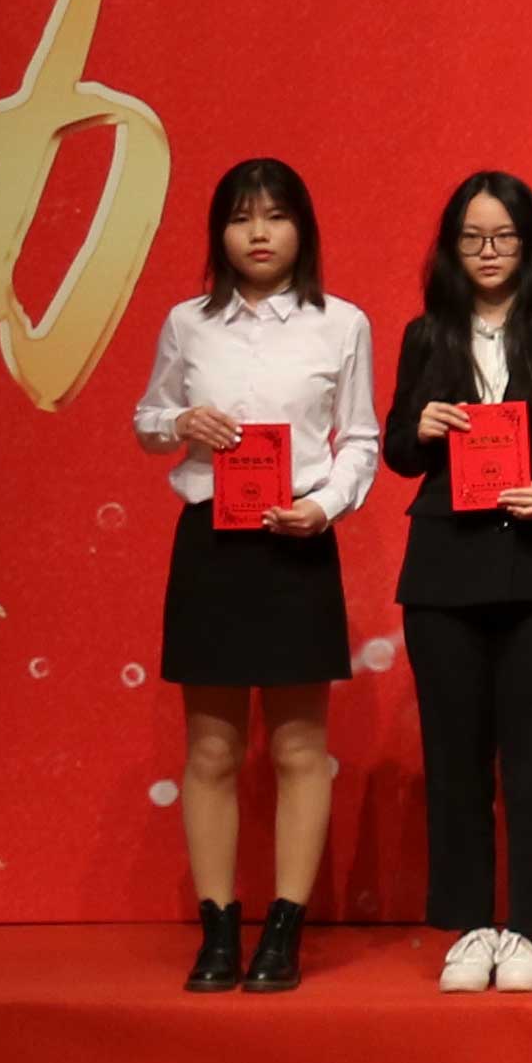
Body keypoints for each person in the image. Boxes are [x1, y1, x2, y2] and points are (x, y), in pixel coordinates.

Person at [133, 158, 377, 996]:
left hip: (296, 541)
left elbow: (360, 439)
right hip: (212, 543)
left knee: (301, 746)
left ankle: (284, 928)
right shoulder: (188, 322)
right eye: (241, 218)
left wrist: (325, 506)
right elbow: (147, 421)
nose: (259, 233)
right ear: (220, 234)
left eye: (275, 216)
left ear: (302, 228)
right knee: (212, 747)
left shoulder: (341, 323)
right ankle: (218, 930)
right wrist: (180, 419)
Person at [380, 170, 532, 994]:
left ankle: (527, 929)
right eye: (472, 238)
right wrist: (421, 425)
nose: (487, 252)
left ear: (530, 244)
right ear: (452, 247)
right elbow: (397, 451)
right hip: (445, 567)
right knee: (454, 758)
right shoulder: (427, 334)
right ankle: (470, 924)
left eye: (503, 237)